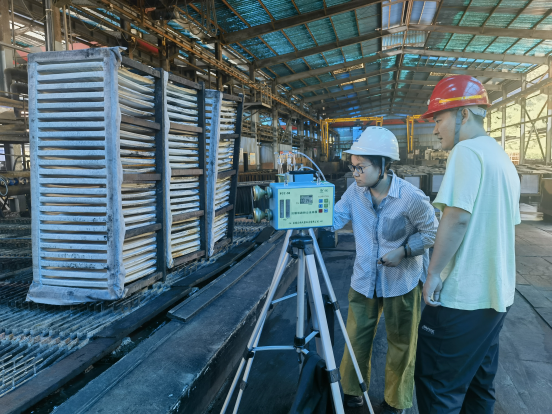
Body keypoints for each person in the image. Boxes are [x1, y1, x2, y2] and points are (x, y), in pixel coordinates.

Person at [414, 75, 521, 414]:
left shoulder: (466, 151)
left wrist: (433, 274)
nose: (435, 129)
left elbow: (456, 218)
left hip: (463, 299)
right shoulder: (501, 158)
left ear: (464, 114)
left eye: (439, 119)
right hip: (496, 297)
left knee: (437, 388)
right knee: (478, 386)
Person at [333, 127, 437, 414]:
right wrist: (306, 212)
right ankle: (352, 390)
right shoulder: (355, 192)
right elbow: (336, 217)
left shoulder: (411, 197)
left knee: (402, 342)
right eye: (352, 167)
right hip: (364, 279)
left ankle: (395, 402)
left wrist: (404, 251)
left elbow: (432, 232)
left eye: (361, 167)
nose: (355, 173)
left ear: (383, 165)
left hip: (401, 281)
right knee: (356, 336)